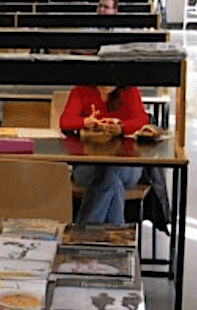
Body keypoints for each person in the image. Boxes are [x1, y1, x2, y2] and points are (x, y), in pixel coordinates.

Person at [59, 84, 149, 224]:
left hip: (127, 166)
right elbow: (65, 122)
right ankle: (115, 237)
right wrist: (85, 122)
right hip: (88, 166)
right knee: (112, 180)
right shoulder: (81, 91)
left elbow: (142, 120)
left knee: (109, 172)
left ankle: (84, 233)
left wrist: (121, 128)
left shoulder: (130, 91)